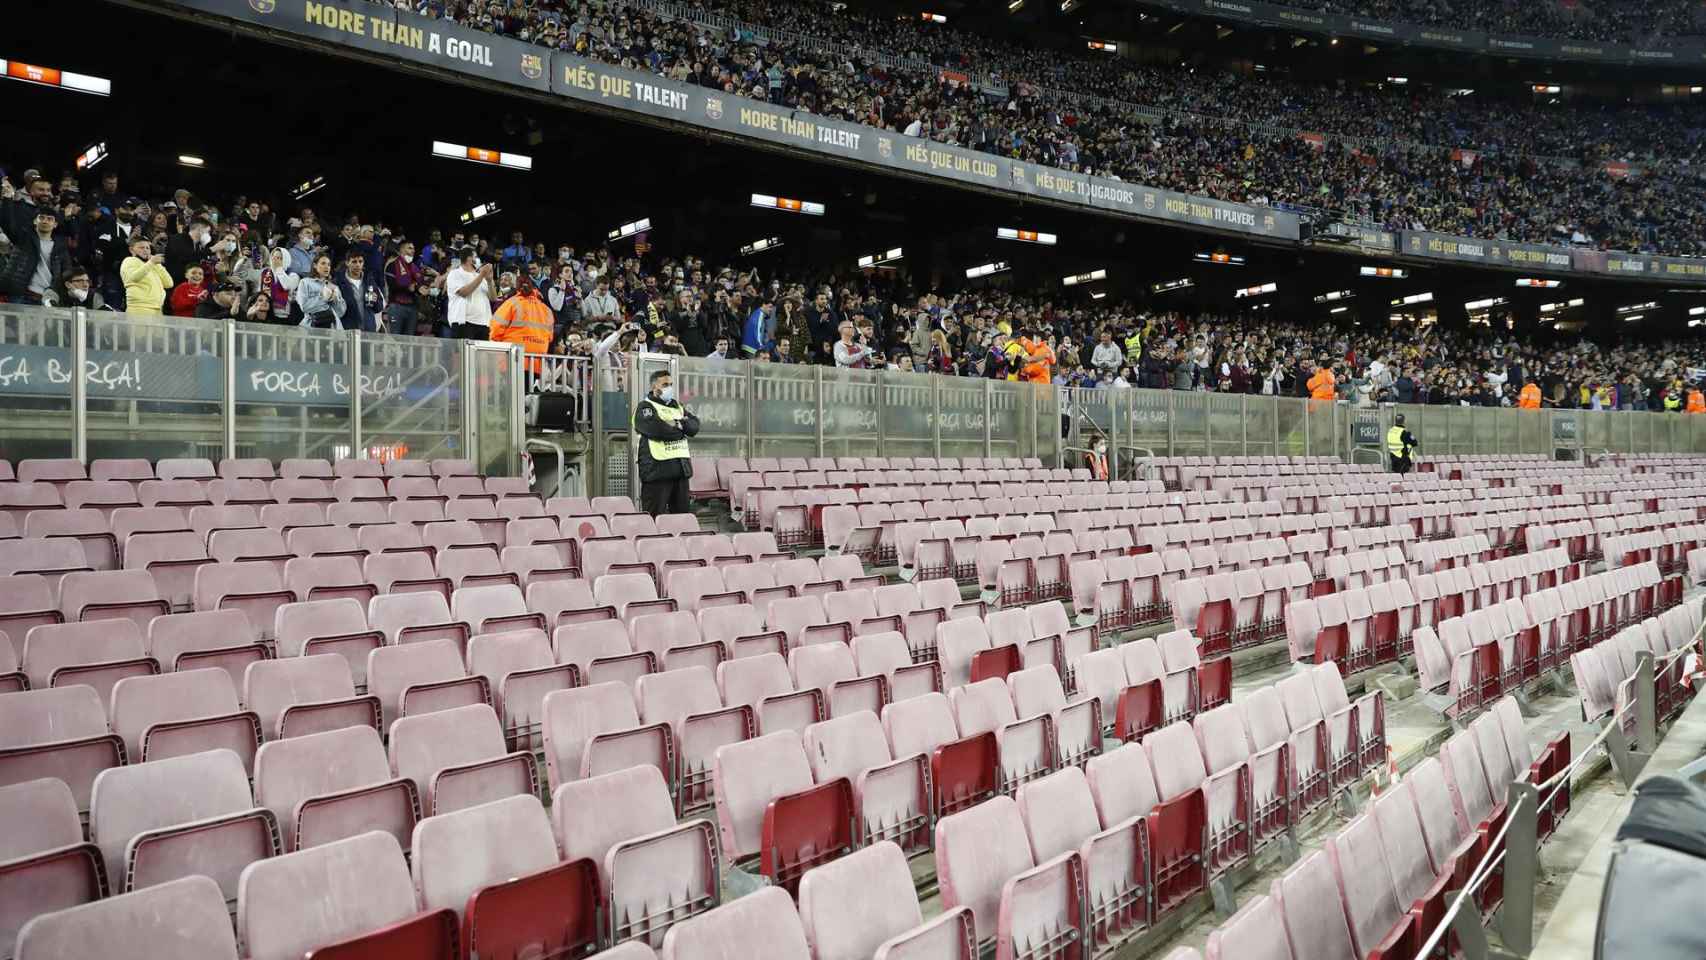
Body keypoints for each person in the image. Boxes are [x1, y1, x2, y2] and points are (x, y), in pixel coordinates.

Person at [633, 368, 700, 516]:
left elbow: (694, 426)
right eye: (664, 385)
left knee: (682, 520)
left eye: (671, 384)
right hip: (657, 472)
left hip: (680, 471)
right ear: (654, 387)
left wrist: (676, 423)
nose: (669, 388)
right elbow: (658, 430)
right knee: (653, 518)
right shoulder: (645, 407)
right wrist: (682, 427)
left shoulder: (677, 406)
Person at [490, 272, 554, 375]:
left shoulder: (511, 303)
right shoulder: (546, 310)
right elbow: (550, 337)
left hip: (513, 358)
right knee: (527, 390)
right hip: (536, 361)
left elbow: (495, 329)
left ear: (516, 288)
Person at [445, 248, 493, 339]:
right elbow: (464, 292)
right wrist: (482, 275)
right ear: (469, 258)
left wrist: (490, 281)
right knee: (463, 353)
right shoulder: (455, 274)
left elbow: (493, 298)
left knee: (481, 353)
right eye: (476, 257)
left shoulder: (479, 275)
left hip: (484, 322)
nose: (478, 260)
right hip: (463, 323)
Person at [119, 235, 172, 315]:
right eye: (141, 247)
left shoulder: (151, 264)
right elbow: (134, 277)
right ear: (131, 250)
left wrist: (157, 264)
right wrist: (151, 262)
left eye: (148, 248)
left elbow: (169, 284)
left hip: (158, 309)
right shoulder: (129, 261)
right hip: (139, 309)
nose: (146, 250)